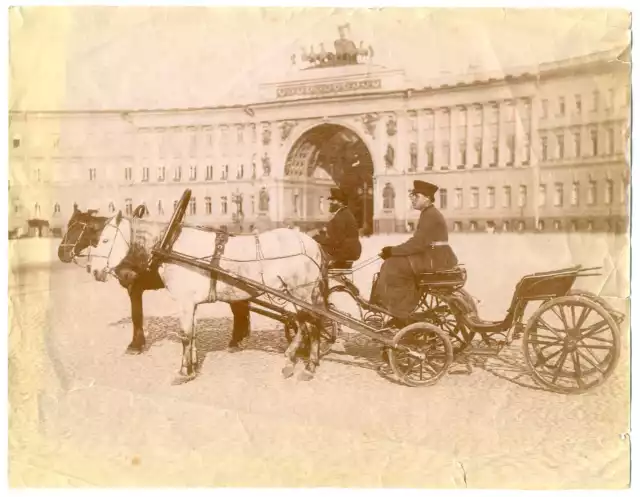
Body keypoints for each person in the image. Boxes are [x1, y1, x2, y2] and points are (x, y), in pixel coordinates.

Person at [373, 180, 458, 325]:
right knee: (394, 262)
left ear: (427, 198)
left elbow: (418, 244)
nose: (412, 199)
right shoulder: (428, 213)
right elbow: (418, 242)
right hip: (434, 256)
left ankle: (400, 313)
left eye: (416, 196)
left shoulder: (430, 215)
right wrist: (393, 251)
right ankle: (396, 309)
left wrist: (392, 251)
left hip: (435, 259)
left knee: (393, 266)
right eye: (412, 195)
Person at [313, 187, 362, 268]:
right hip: (351, 250)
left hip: (344, 252)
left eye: (333, 201)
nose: (330, 203)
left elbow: (336, 240)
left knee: (315, 255)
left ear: (340, 203)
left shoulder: (340, 217)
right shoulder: (345, 213)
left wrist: (317, 239)